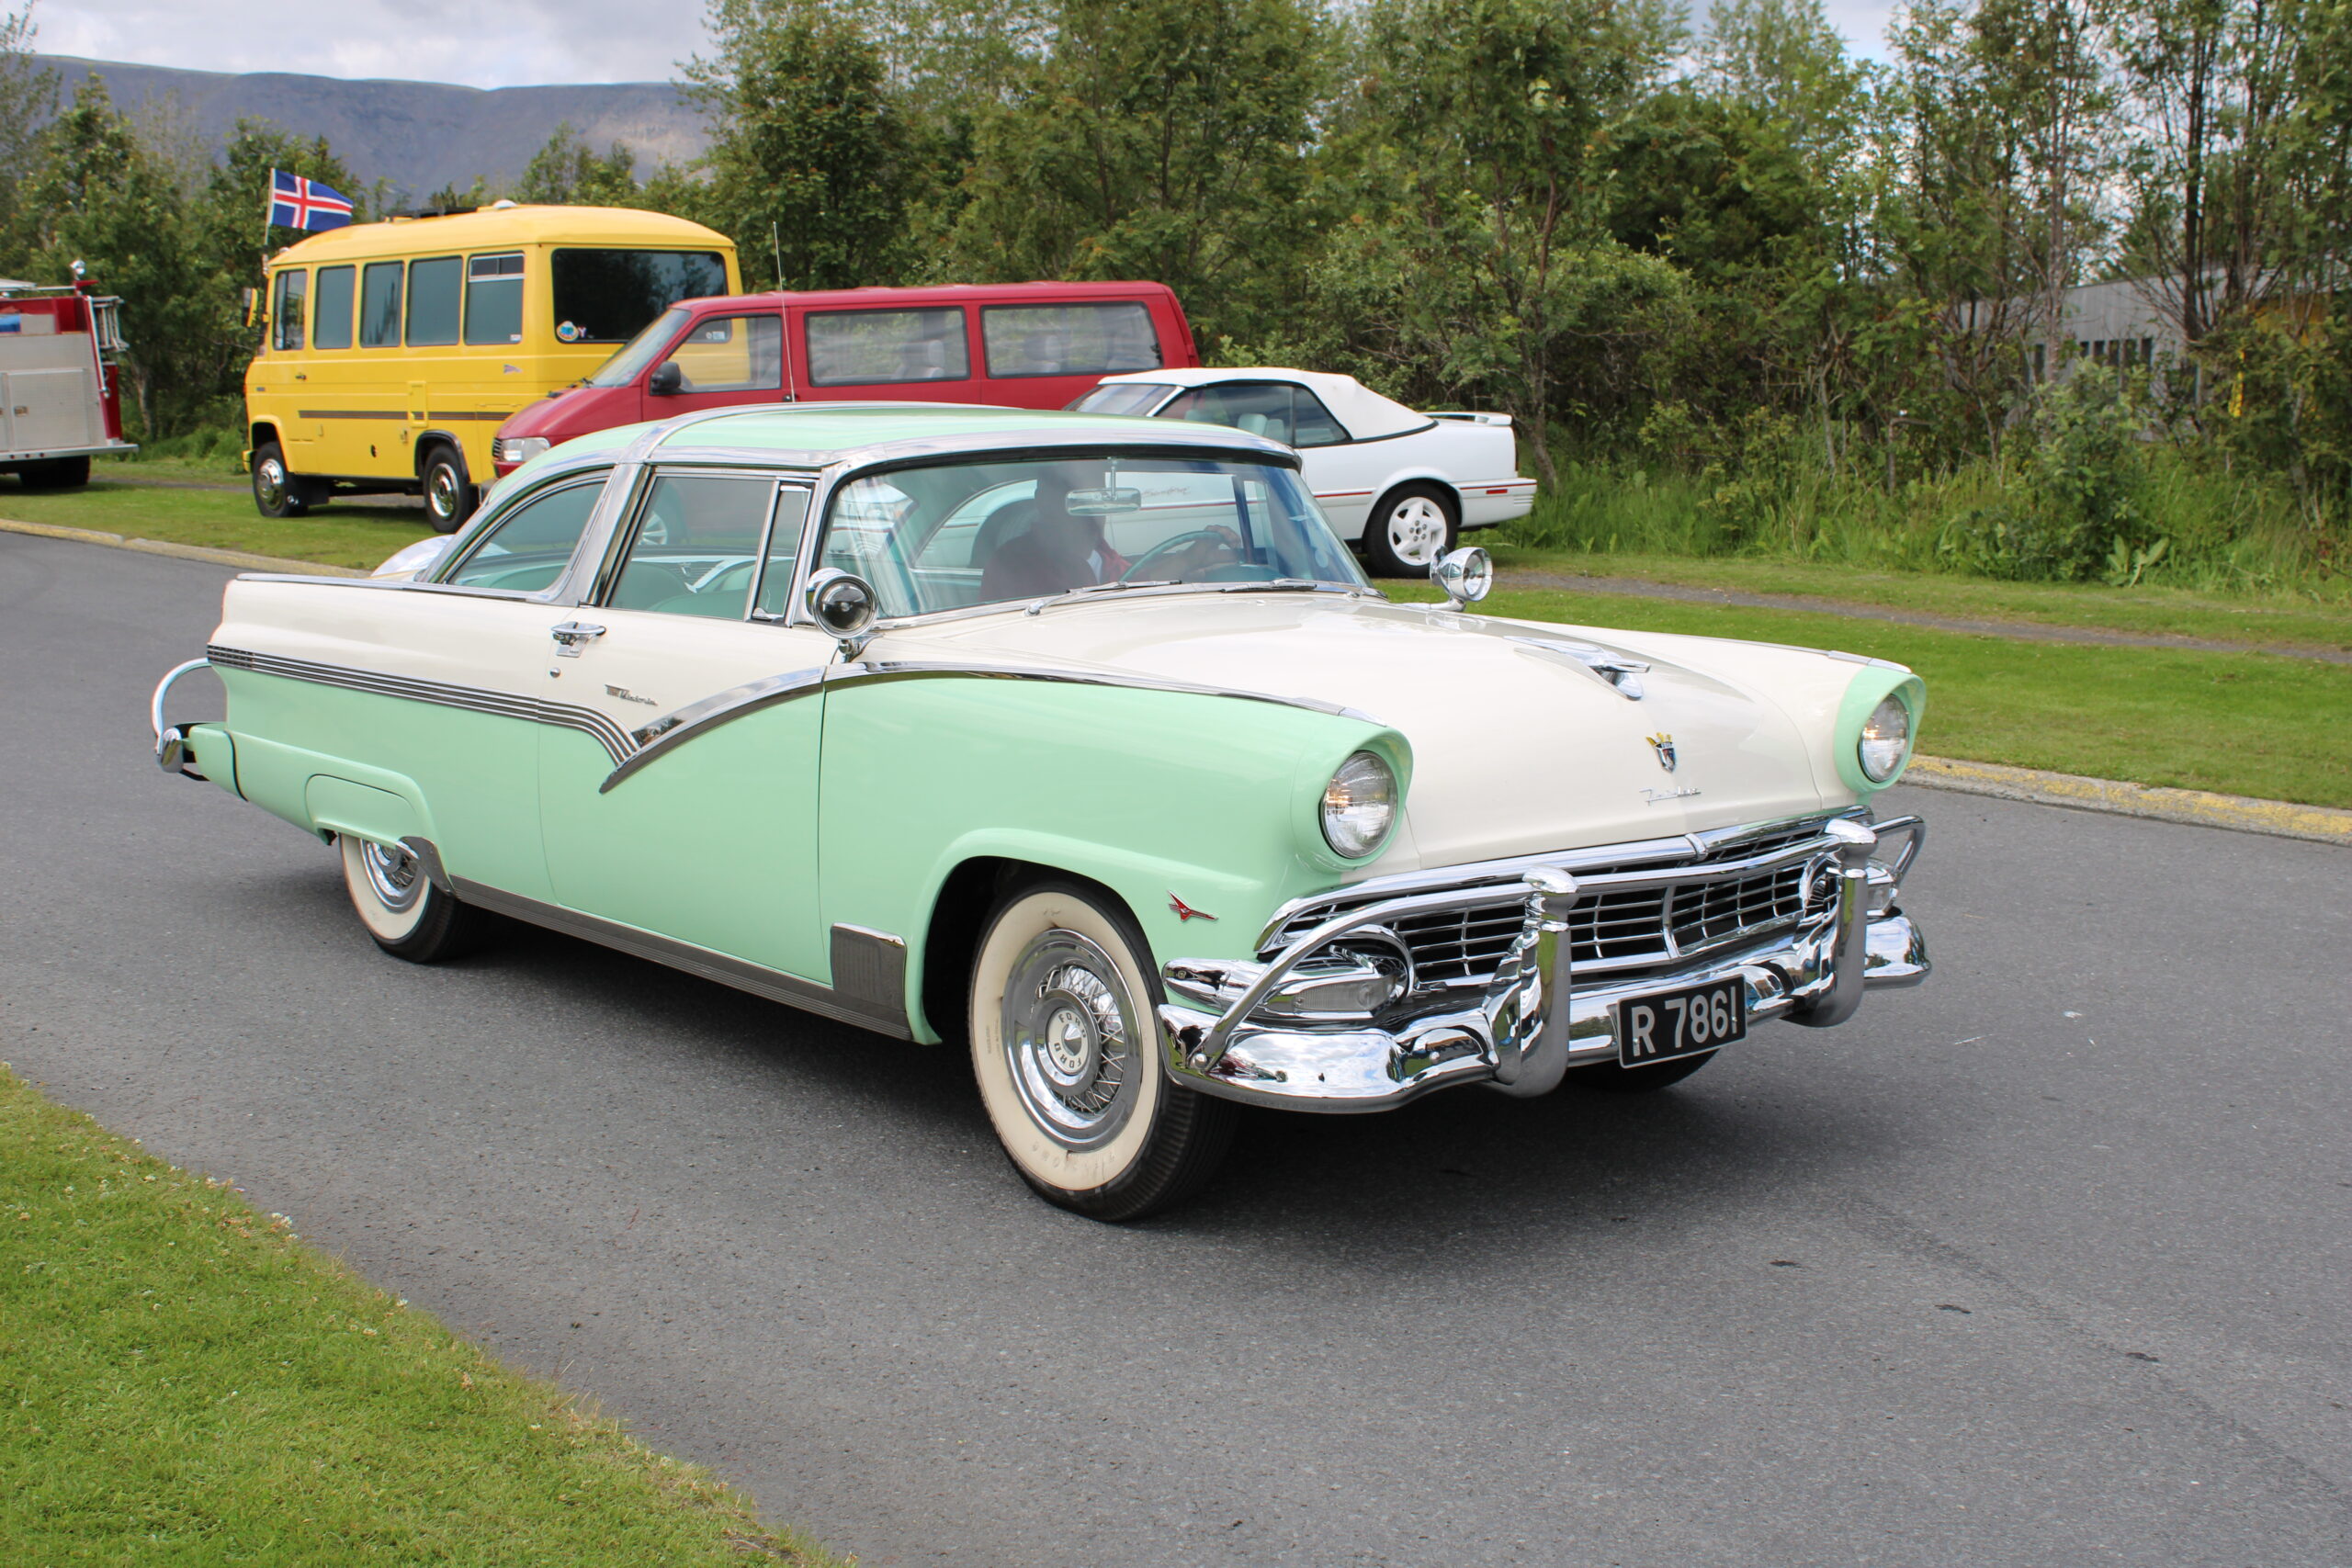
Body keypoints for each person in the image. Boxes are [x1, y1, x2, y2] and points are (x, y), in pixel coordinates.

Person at [979, 465, 1134, 599]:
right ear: (1043, 501)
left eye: (1099, 497)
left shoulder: (1121, 568)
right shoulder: (1011, 565)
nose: (1090, 511)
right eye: (1075, 500)